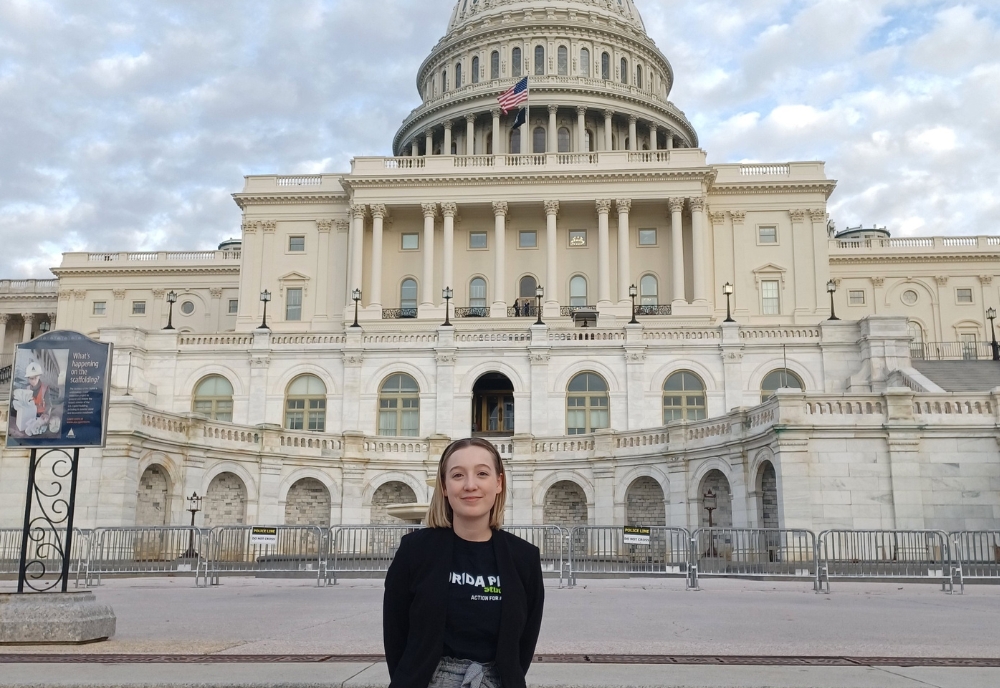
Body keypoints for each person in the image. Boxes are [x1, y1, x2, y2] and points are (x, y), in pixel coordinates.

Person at [383, 438, 544, 688]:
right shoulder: (414, 551)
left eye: (482, 473)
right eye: (458, 475)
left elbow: (524, 643)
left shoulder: (524, 557)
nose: (470, 485)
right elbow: (395, 634)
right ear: (445, 486)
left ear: (498, 482)